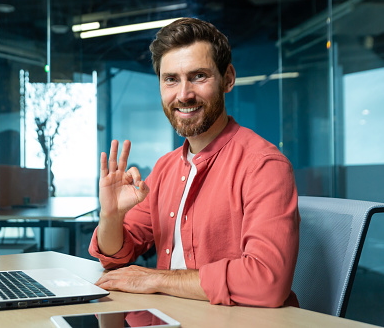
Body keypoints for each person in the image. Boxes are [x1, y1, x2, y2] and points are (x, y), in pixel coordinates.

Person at [89, 17, 300, 308]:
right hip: (172, 316)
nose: (184, 94)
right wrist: (111, 216)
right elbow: (116, 255)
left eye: (198, 76)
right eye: (171, 79)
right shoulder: (165, 168)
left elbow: (267, 281)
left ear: (228, 78)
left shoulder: (264, 166)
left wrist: (157, 279)